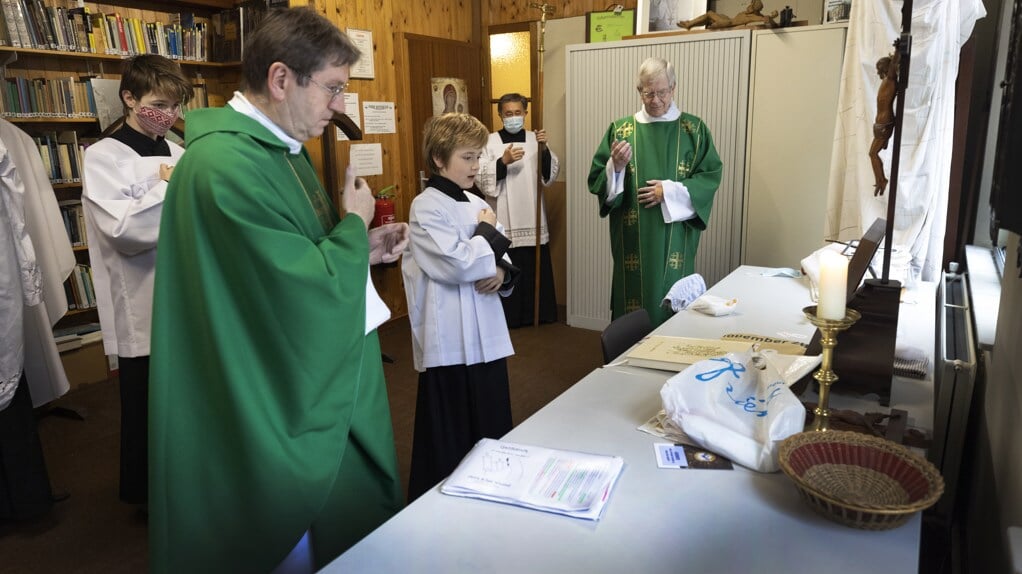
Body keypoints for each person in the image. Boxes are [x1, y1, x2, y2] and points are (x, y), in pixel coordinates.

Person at [148, 7, 409, 573]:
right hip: (257, 395)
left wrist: (362, 248)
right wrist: (356, 225)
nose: (340, 106)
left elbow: (296, 260)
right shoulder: (223, 164)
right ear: (281, 78)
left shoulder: (280, 151)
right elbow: (294, 295)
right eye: (334, 88)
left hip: (280, 373)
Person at [81, 54, 192, 507]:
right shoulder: (103, 157)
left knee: (187, 401)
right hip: (141, 296)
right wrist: (166, 186)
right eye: (157, 103)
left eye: (174, 105)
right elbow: (124, 231)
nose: (166, 114)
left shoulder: (183, 152)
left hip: (187, 291)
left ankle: (189, 482)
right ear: (129, 97)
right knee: (148, 403)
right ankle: (149, 496)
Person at [402, 113, 518, 501]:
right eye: (468, 157)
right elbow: (455, 263)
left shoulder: (474, 201)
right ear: (439, 158)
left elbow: (503, 250)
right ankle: (441, 503)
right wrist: (486, 234)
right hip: (448, 336)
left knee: (491, 420)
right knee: (449, 433)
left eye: (479, 157)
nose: (477, 166)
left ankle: (493, 492)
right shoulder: (425, 206)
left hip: (485, 330)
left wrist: (502, 272)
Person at [587, 57, 723, 327]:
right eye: (649, 93)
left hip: (675, 237)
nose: (656, 100)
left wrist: (669, 192)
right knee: (633, 304)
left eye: (662, 92)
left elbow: (709, 177)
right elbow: (598, 181)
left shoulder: (694, 129)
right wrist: (616, 167)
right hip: (632, 236)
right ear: (639, 91)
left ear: (673, 88)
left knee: (671, 302)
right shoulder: (621, 129)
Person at [477, 92, 560, 327]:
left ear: (525, 113)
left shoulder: (536, 139)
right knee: (508, 265)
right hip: (504, 215)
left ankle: (540, 314)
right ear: (500, 115)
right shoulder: (488, 142)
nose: (513, 117)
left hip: (532, 215)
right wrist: (502, 162)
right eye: (508, 113)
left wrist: (544, 151)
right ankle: (510, 317)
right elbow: (481, 179)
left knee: (534, 267)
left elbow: (550, 176)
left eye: (517, 113)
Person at [870, 49, 900, 197]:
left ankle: (882, 180)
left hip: (885, 124)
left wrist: (898, 50)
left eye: (879, 69)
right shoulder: (885, 82)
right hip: (880, 125)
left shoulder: (890, 80)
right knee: (873, 153)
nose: (877, 72)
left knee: (873, 153)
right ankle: (880, 179)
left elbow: (894, 64)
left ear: (886, 69)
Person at [678, 0, 779, 30]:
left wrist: (772, 16)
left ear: (755, 10)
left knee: (709, 14)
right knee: (709, 17)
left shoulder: (757, 16)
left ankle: (689, 24)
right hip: (729, 19)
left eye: (751, 6)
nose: (749, 7)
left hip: (729, 23)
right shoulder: (750, 12)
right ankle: (690, 24)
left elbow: (768, 20)